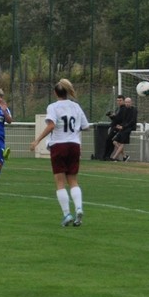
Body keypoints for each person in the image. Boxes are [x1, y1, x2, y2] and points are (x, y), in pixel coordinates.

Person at [29, 79, 89, 226]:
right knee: (73, 180)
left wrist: (37, 140)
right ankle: (79, 208)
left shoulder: (53, 107)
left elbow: (52, 124)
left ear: (55, 92)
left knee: (60, 183)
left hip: (59, 145)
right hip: (74, 145)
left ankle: (67, 214)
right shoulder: (76, 106)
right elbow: (85, 126)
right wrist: (74, 131)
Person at [109, 96, 137, 161]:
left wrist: (123, 127)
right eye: (126, 102)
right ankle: (124, 156)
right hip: (123, 128)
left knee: (122, 143)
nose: (127, 103)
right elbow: (123, 120)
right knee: (114, 142)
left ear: (131, 102)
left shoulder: (134, 110)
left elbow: (132, 121)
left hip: (129, 128)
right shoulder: (124, 110)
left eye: (129, 102)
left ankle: (114, 158)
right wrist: (119, 125)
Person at [102, 94, 125, 160]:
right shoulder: (119, 108)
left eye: (120, 100)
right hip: (114, 127)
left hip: (117, 128)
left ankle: (107, 156)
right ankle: (106, 156)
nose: (119, 102)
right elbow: (116, 119)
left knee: (110, 140)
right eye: (118, 100)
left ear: (123, 101)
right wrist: (111, 116)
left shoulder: (123, 109)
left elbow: (119, 119)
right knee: (109, 141)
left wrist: (112, 116)